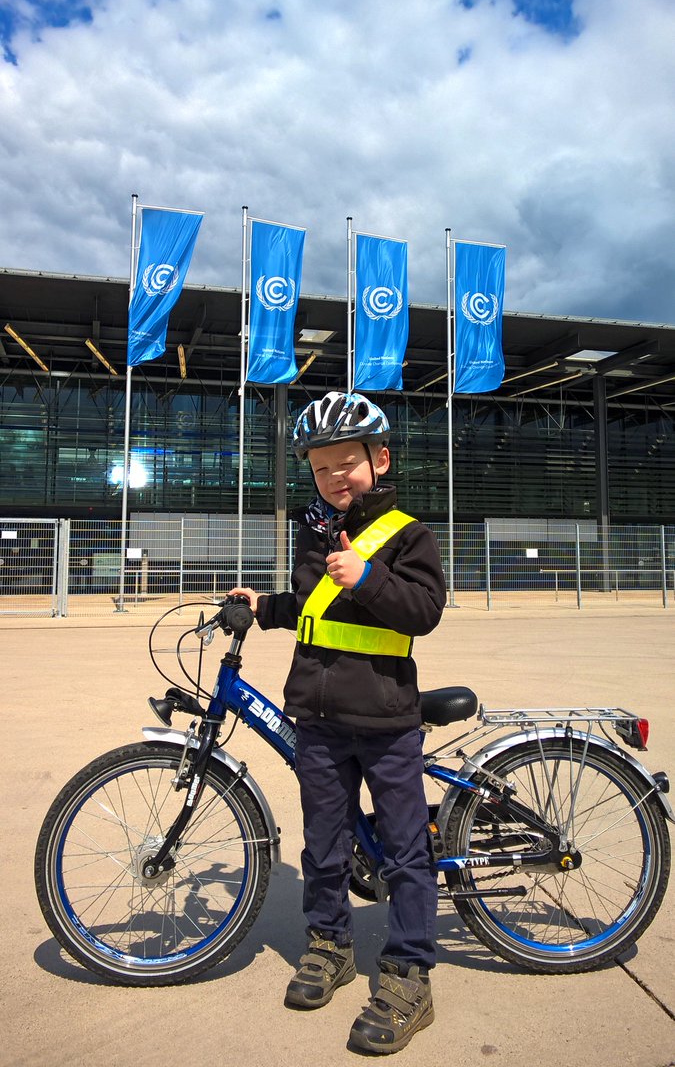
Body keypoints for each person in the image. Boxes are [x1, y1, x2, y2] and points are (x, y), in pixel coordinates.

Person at [231, 391, 446, 1054]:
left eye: (346, 462)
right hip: (317, 718)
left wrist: (366, 577)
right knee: (323, 848)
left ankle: (409, 975)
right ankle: (329, 947)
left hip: (384, 721)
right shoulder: (316, 528)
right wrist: (262, 605)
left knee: (406, 853)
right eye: (321, 468)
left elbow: (423, 610)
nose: (333, 478)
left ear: (378, 459)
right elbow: (310, 603)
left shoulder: (408, 532)